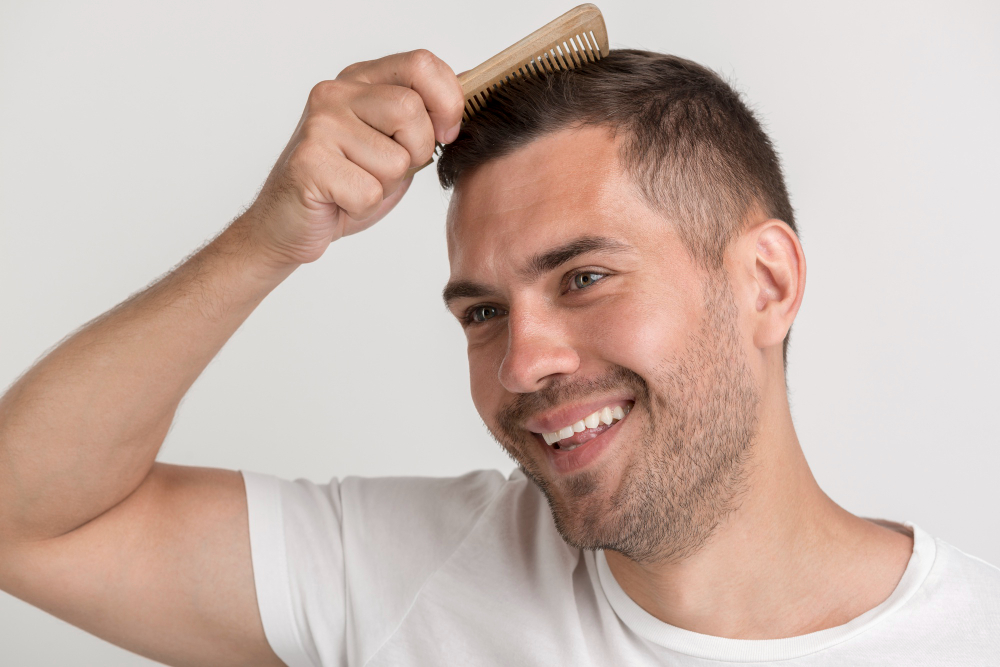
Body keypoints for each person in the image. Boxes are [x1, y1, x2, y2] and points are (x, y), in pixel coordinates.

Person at [0, 46, 997, 667]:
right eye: (481, 312)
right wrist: (270, 241)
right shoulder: (404, 576)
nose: (521, 363)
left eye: (583, 278)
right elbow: (22, 518)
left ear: (766, 284)